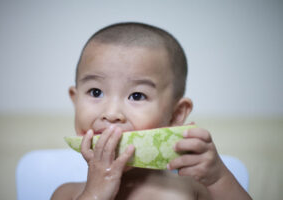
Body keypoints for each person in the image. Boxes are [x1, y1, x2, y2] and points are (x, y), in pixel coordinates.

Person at [51, 22, 252, 200]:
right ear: (75, 100)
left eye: (137, 96)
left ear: (176, 114)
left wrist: (218, 179)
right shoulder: (67, 194)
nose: (111, 113)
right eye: (95, 92)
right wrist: (94, 195)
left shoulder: (191, 189)